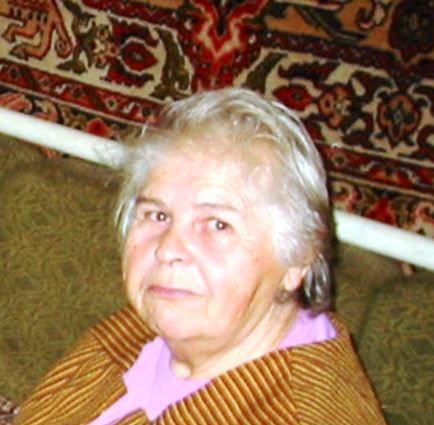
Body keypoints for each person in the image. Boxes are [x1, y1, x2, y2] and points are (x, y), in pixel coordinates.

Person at [15, 88, 386, 425]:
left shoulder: (303, 413)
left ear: (299, 258)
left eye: (217, 224)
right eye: (157, 215)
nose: (168, 249)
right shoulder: (154, 329)